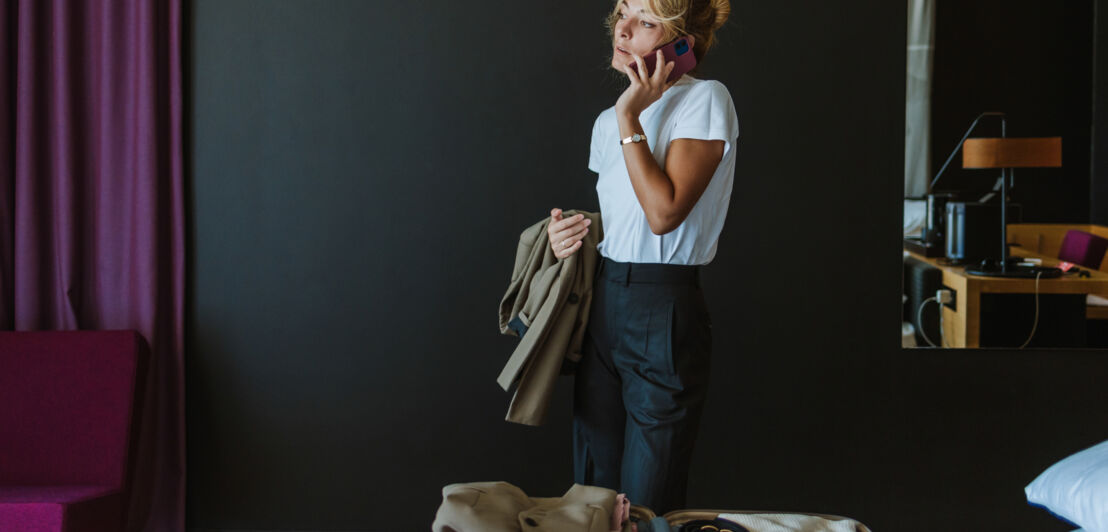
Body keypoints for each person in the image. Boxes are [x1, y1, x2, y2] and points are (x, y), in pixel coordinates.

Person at [546, 0, 738, 515]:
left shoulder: (705, 100)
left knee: (646, 506)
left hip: (663, 308)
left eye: (647, 22)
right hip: (603, 306)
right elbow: (625, 222)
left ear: (683, 44)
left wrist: (629, 113)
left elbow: (663, 213)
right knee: (592, 498)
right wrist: (570, 235)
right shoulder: (607, 124)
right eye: (622, 13)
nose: (623, 30)